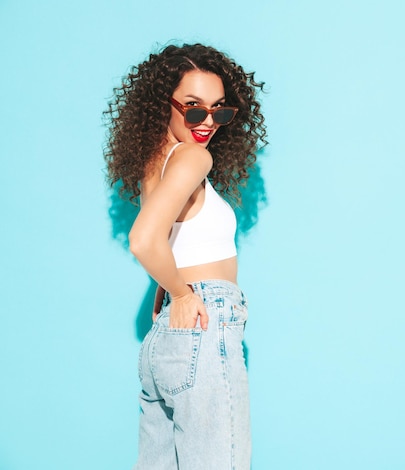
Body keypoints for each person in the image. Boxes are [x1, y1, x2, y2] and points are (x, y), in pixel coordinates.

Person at [104, 43, 267, 470]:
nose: (208, 122)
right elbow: (144, 239)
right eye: (194, 109)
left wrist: (170, 293)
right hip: (203, 323)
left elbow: (169, 241)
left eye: (219, 111)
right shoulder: (193, 156)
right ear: (165, 104)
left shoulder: (154, 164)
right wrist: (182, 294)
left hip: (164, 342)